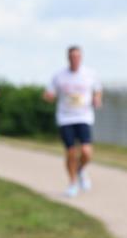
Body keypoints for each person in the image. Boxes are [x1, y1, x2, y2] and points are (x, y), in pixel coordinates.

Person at [44, 46, 103, 198]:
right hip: (65, 118)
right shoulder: (59, 76)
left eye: (77, 56)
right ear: (68, 58)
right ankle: (72, 183)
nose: (75, 59)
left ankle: (81, 169)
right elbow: (50, 92)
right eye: (72, 56)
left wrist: (97, 98)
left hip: (83, 116)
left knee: (86, 152)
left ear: (81, 58)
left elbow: (97, 89)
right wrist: (48, 96)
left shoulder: (89, 74)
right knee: (70, 152)